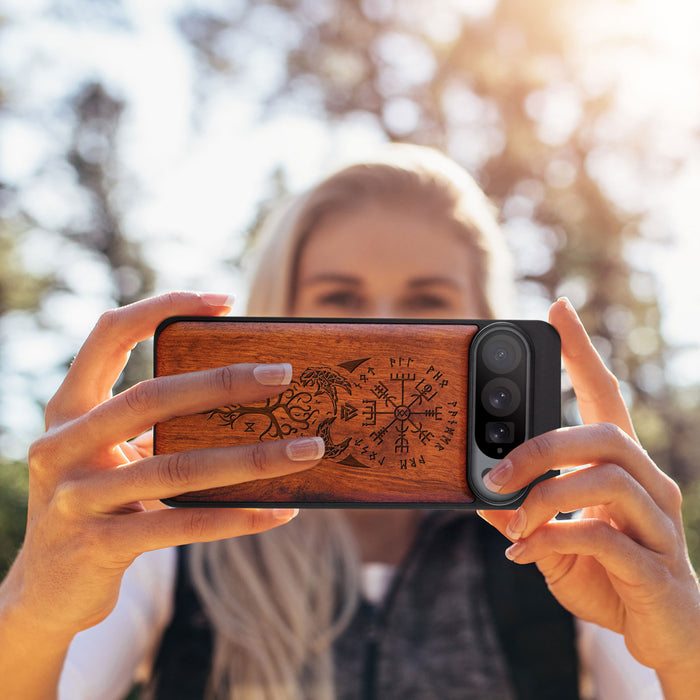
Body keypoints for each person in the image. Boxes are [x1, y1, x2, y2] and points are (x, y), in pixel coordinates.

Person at [0, 145, 698, 700]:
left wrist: (685, 648)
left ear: (487, 322)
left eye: (427, 301)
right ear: (279, 313)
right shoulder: (171, 535)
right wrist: (34, 607)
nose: (385, 327)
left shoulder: (567, 543)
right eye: (340, 298)